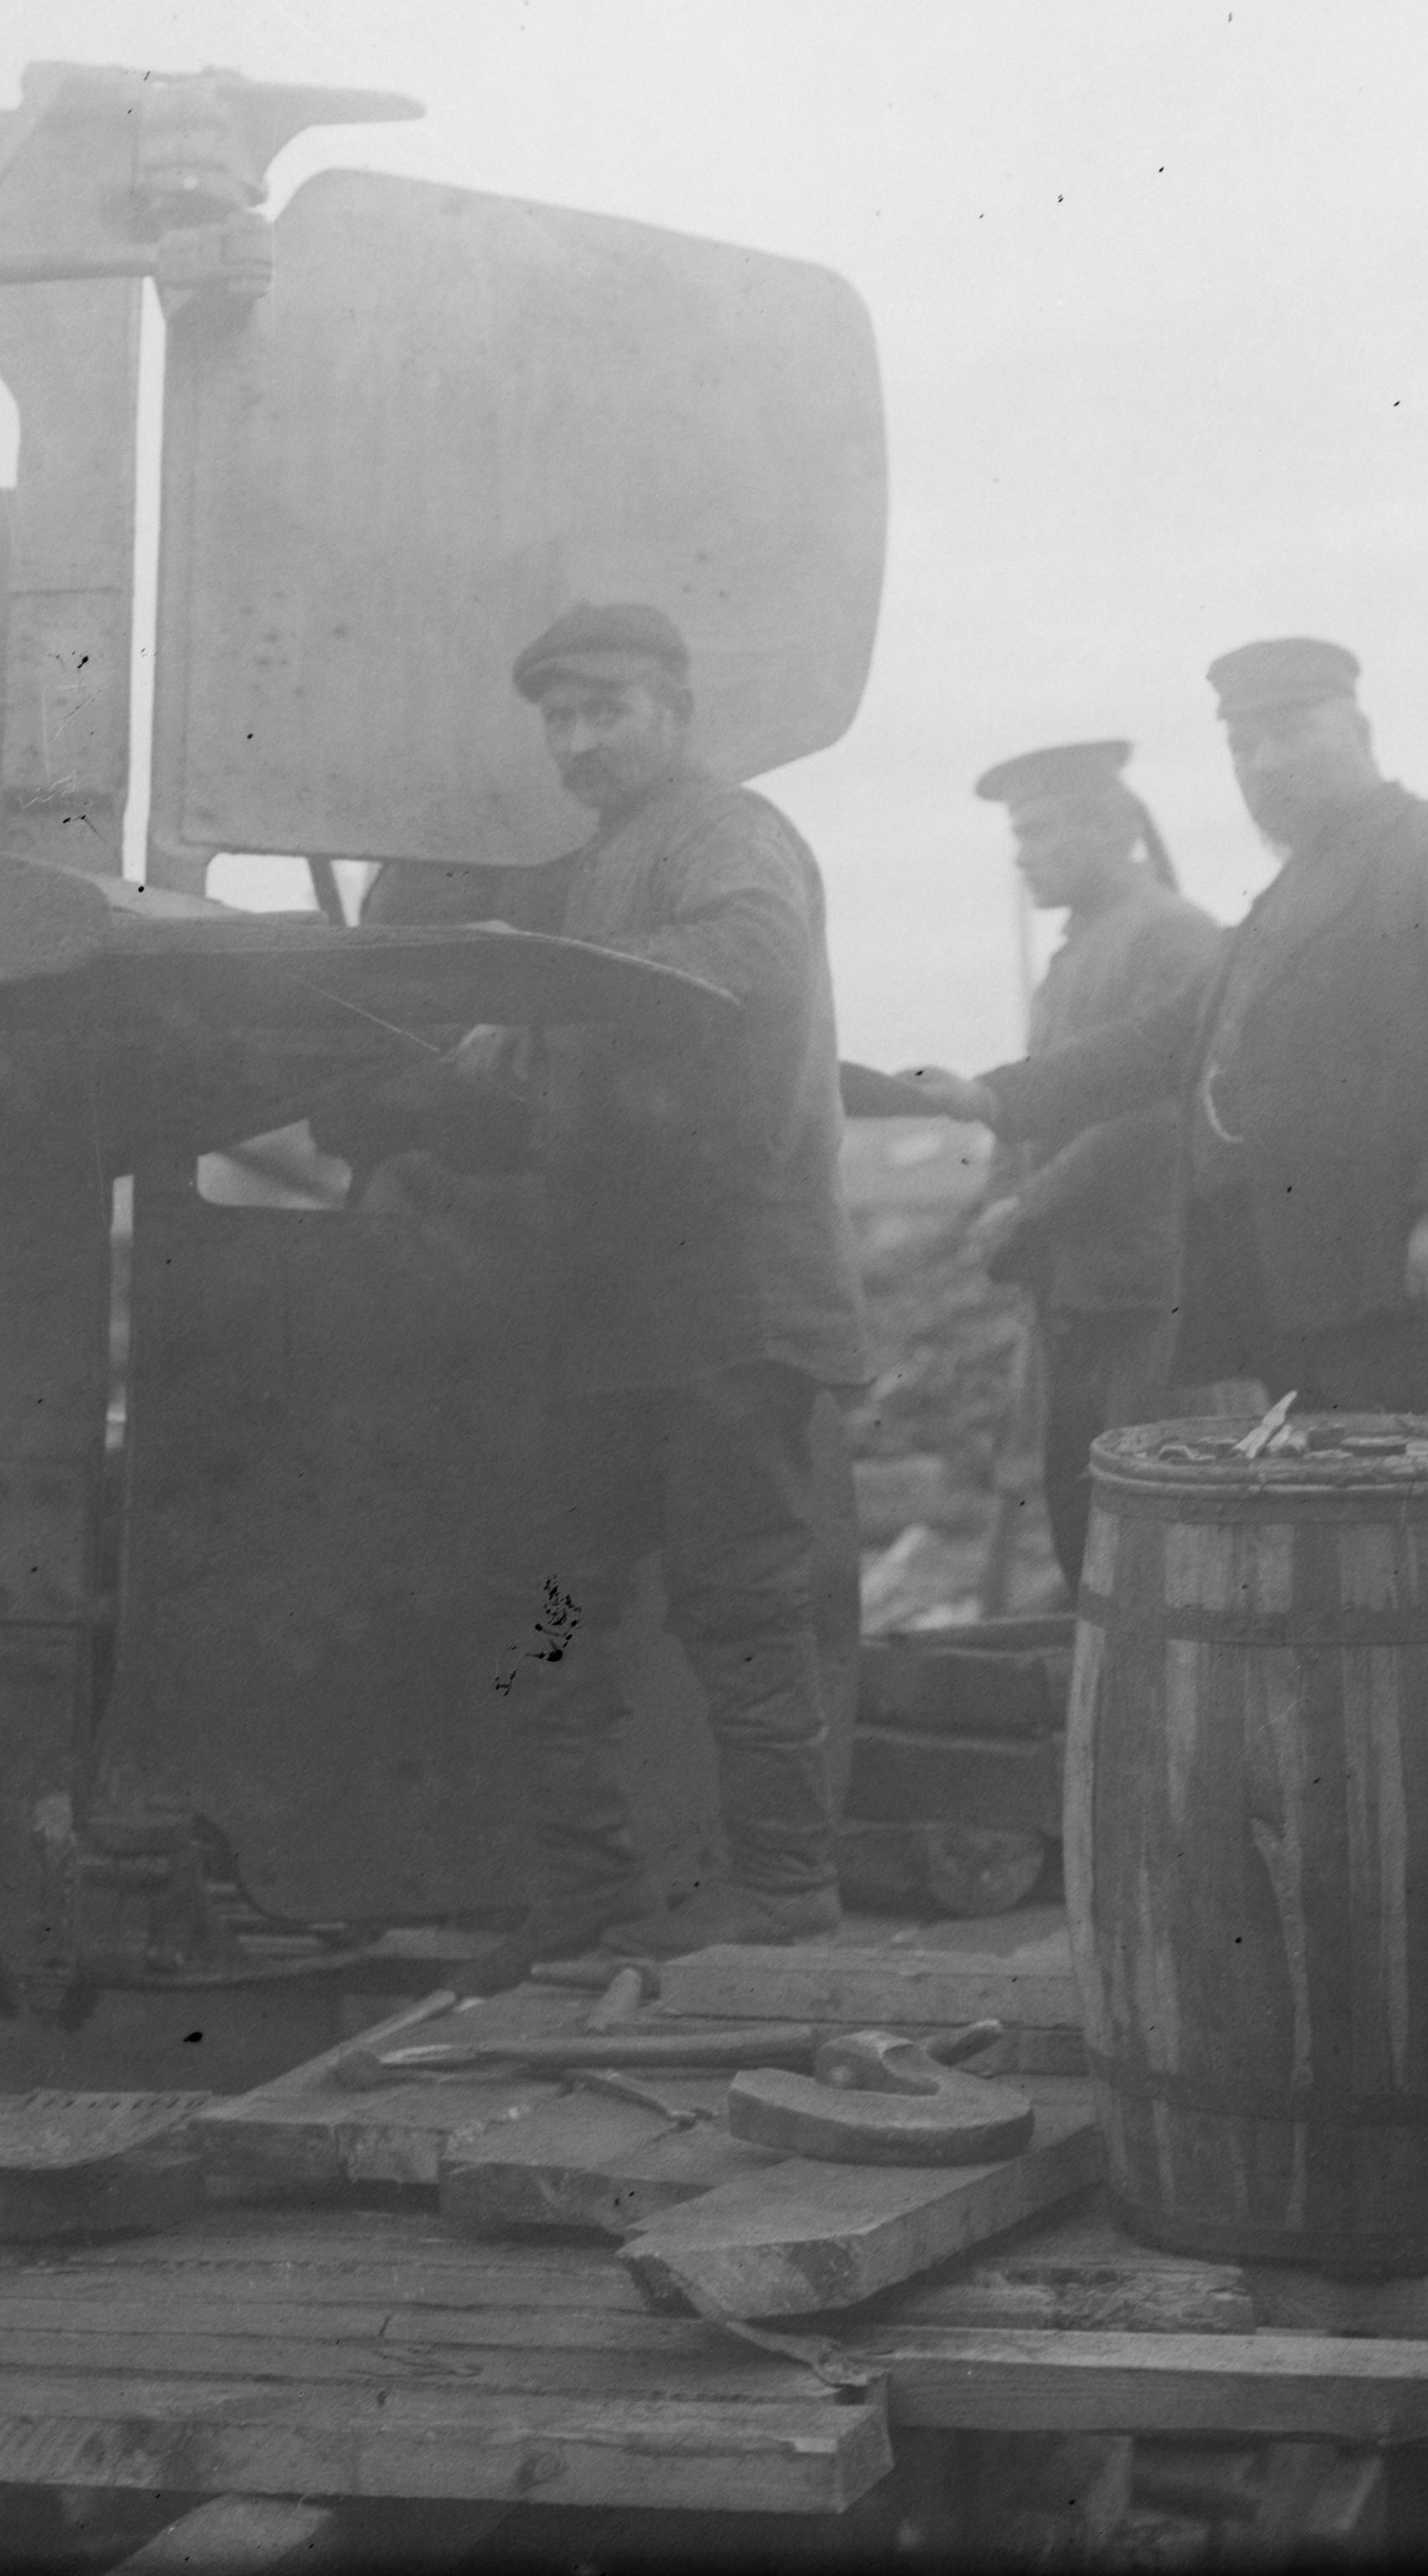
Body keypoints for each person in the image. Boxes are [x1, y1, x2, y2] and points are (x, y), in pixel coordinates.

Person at [332, 602, 868, 1975]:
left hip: (731, 1304)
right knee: (550, 1600)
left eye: (605, 712)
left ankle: (788, 1899)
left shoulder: (726, 833)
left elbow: (744, 957)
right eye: (560, 720)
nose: (578, 742)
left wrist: (542, 997)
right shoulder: (604, 866)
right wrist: (417, 1104)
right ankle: (585, 1891)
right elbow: (571, 1089)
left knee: (741, 1606)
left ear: (674, 710)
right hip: (614, 1314)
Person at [905, 639, 1428, 1416]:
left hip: (1414, 1278)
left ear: (1358, 731)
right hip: (1305, 1291)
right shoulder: (1283, 899)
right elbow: (1163, 1039)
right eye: (1243, 746)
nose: (1266, 763)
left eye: (1291, 733)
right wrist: (991, 1096)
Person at [964, 740, 1224, 1591]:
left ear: (1113, 828)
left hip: (1150, 1294)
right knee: (1081, 1529)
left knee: (1158, 1533)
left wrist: (1029, 1205)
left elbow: (1156, 1109)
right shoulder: (1078, 950)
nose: (1022, 856)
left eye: (1040, 831)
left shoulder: (1172, 934)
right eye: (1019, 834)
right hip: (1074, 1291)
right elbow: (1029, 1106)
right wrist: (1003, 1202)